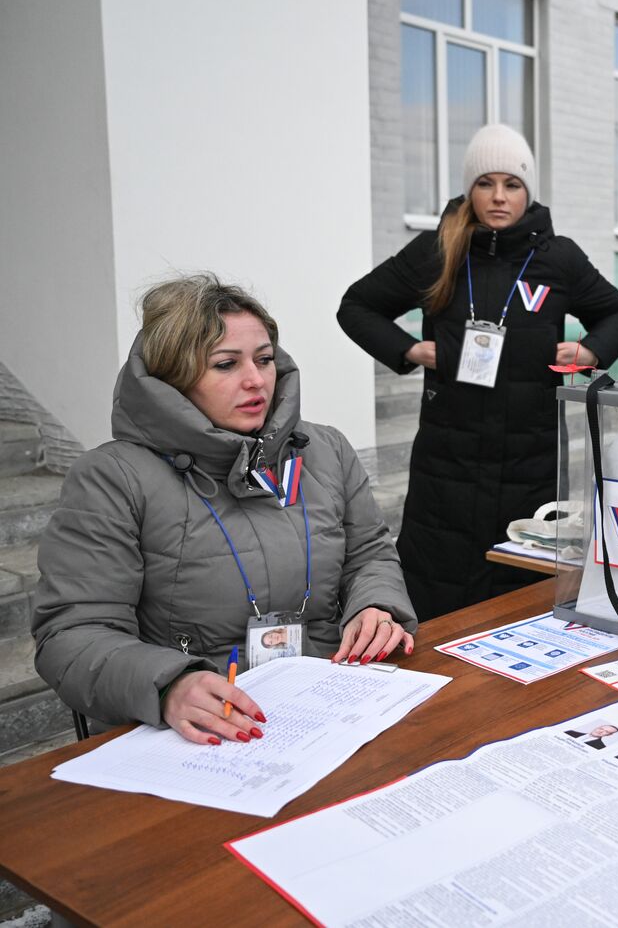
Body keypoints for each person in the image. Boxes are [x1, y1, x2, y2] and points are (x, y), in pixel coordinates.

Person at [32, 274, 416, 746]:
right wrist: (169, 685)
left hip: (329, 705)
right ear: (173, 379)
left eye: (265, 359)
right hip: (201, 731)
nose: (255, 380)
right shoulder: (113, 477)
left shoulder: (326, 450)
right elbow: (73, 634)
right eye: (225, 365)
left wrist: (374, 605)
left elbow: (370, 555)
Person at [338, 124, 618, 618]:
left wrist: (590, 352)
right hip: (446, 466)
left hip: (530, 461)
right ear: (468, 188)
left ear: (527, 191)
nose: (498, 197)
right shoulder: (439, 251)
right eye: (485, 183)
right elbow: (357, 306)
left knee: (520, 602)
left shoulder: (556, 258)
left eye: (512, 185)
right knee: (437, 595)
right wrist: (410, 350)